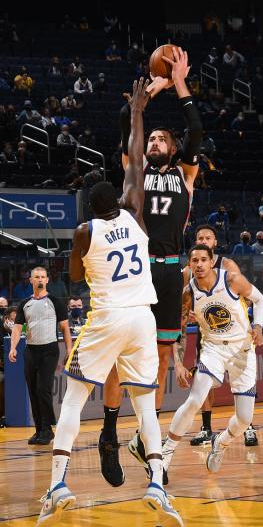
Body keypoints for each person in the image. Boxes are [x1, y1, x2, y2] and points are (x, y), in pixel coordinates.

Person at [38, 79, 181, 527]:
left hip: (107, 318)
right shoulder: (136, 213)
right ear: (116, 201)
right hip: (143, 317)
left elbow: (74, 277)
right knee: (146, 405)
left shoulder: (84, 232)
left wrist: (77, 252)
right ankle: (156, 484)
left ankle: (58, 484)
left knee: (73, 399)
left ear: (88, 207)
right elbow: (135, 162)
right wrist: (137, 112)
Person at [98, 48, 203, 489]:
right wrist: (153, 90)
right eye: (152, 138)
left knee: (160, 359)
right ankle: (108, 431)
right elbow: (128, 119)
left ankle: (146, 438)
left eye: (162, 139)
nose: (155, 141)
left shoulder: (185, 175)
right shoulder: (135, 168)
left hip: (170, 271)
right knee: (122, 355)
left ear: (174, 149)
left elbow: (196, 128)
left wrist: (179, 83)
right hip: (136, 271)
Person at [161, 244, 263, 482]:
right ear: (190, 265)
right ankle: (165, 454)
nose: (199, 264)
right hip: (213, 349)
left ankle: (221, 442)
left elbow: (260, 300)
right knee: (195, 399)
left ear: (211, 262)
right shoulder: (188, 293)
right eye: (194, 260)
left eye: (203, 260)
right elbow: (177, 328)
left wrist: (258, 326)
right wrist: (178, 362)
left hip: (242, 349)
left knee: (244, 419)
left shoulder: (232, 280)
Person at [177, 224, 246, 447]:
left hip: (233, 331)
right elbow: (182, 305)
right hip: (207, 333)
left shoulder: (228, 265)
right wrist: (189, 313)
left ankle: (248, 426)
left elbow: (242, 295)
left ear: (215, 242)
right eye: (200, 238)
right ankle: (206, 428)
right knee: (203, 377)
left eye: (208, 238)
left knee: (240, 377)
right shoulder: (188, 271)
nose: (204, 241)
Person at [8, 265, 71, 447]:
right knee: (33, 390)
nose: (40, 279)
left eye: (43, 277)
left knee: (43, 389)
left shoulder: (55, 301)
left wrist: (69, 350)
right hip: (31, 350)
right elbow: (17, 328)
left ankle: (48, 428)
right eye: (37, 277)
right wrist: (13, 347)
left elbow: (65, 328)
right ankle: (39, 429)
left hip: (49, 350)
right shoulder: (25, 304)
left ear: (47, 280)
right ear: (31, 280)